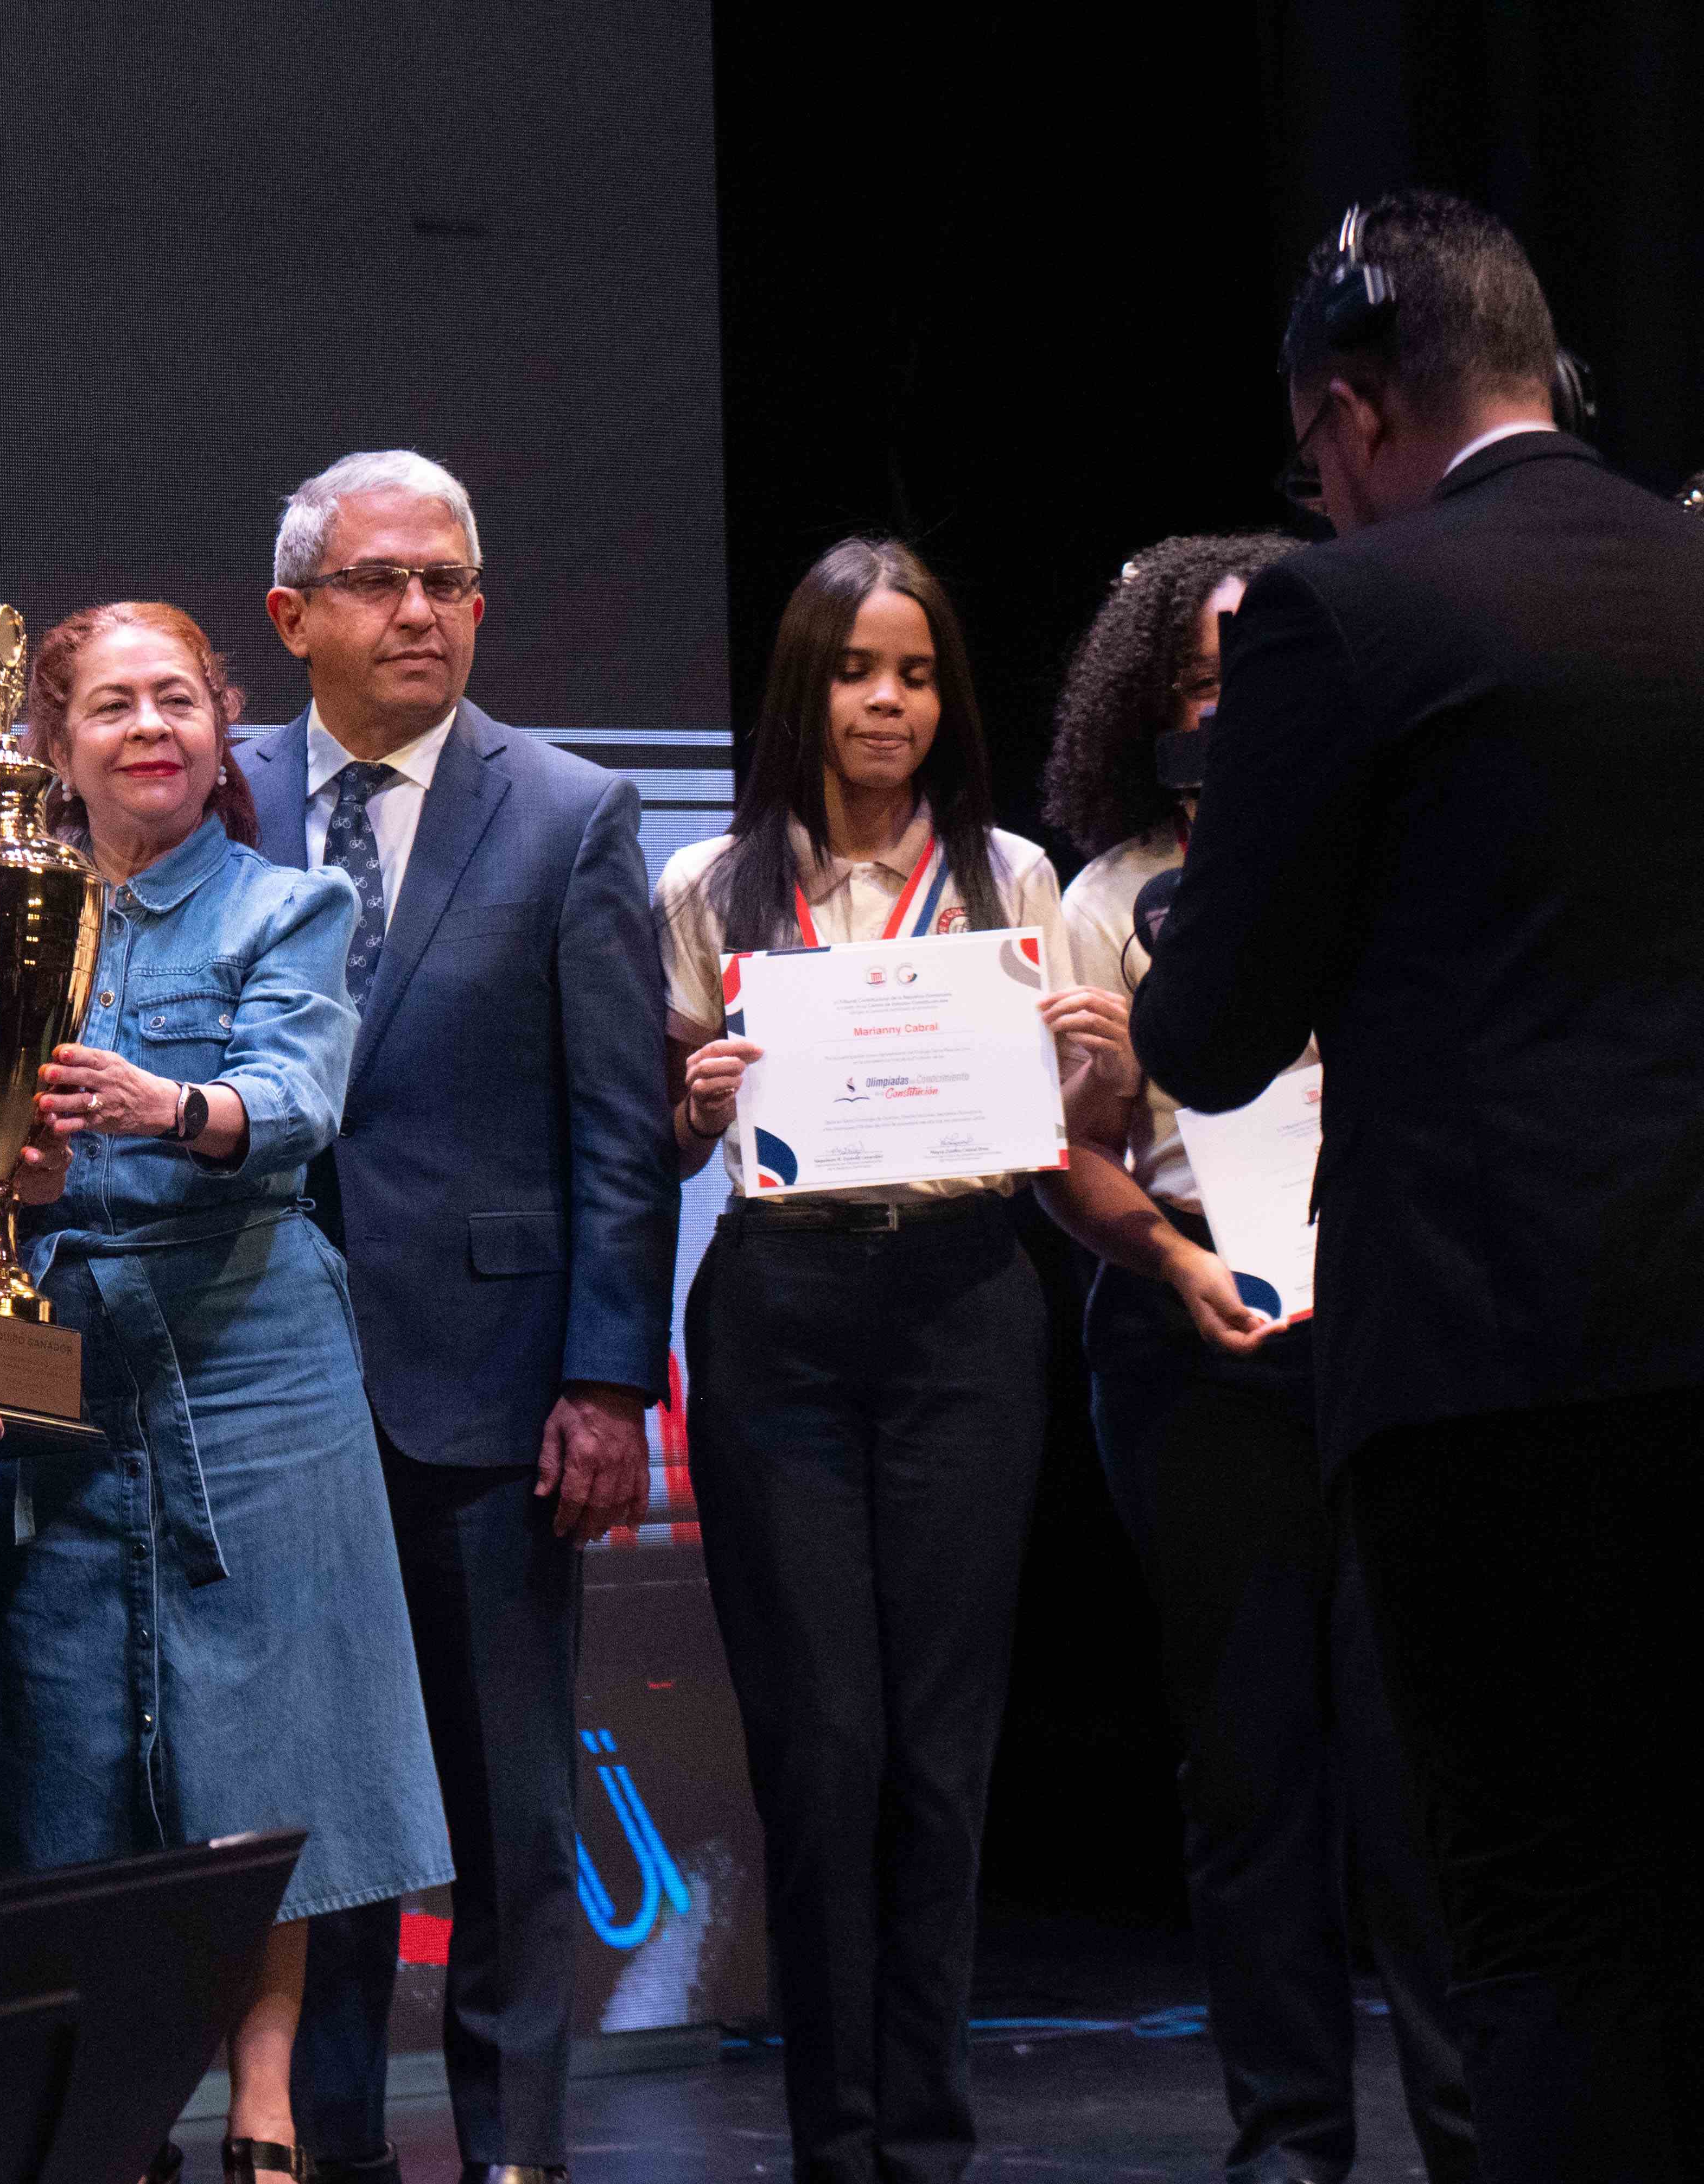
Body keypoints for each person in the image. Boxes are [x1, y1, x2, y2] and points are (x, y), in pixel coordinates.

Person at [1134, 192, 1704, 2181]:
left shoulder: (1342, 611)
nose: (1322, 496)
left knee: (1536, 1919)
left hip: (1491, 1366)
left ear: (1354, 411)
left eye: (1313, 462)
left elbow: (1205, 1033)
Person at [0, 600, 450, 2184]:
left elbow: (298, 1097)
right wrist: (2, 1177)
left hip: (252, 1358)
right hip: (54, 1351)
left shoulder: (292, 903)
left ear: (222, 726)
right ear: (57, 749)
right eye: (117, 707)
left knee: (267, 1749)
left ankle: (264, 2118)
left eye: (182, 702)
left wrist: (166, 1105)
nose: (154, 729)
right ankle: (108, 2115)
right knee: (66, 1740)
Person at [239, 450, 678, 2184]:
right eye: (378, 582)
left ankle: (515, 2160)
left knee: (505, 1819)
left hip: (492, 1397)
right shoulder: (218, 786)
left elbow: (619, 1131)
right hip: (261, 1386)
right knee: (317, 1827)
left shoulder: (571, 814)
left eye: (449, 580)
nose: (420, 610)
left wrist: (605, 1380)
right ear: (294, 618)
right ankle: (328, 2151)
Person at [659, 539, 1118, 2184]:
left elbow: (1072, 1143)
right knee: (822, 1747)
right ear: (807, 685)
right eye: (858, 670)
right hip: (780, 1310)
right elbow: (658, 1133)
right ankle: (830, 2142)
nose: (887, 703)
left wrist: (1097, 1071)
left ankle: (925, 2140)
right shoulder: (709, 889)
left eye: (916, 673)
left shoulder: (1014, 883)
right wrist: (696, 1105)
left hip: (963, 1307)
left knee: (940, 1745)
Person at [1038, 534, 1476, 2184]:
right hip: (1189, 1347)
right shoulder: (1102, 900)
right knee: (1248, 1772)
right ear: (1148, 709)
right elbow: (1069, 1161)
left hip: (1395, 1342)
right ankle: (1289, 2145)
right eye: (1197, 684)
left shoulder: (1401, 848)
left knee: (1417, 1764)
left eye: (1254, 677)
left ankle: (1467, 2134)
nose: (1226, 710)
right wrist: (1164, 1252)